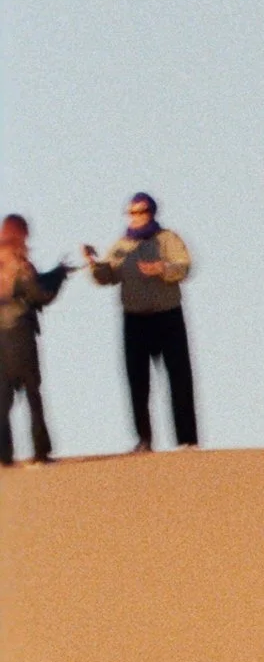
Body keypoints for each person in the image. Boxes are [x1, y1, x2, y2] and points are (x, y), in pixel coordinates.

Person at [82, 194, 198, 451]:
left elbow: (185, 267)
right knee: (137, 383)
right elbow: (107, 276)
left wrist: (163, 268)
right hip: (135, 319)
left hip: (168, 316)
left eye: (140, 211)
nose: (135, 216)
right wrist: (93, 263)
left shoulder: (167, 239)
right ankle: (144, 440)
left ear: (152, 212)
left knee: (179, 378)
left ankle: (187, 440)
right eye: (131, 212)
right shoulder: (122, 245)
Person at [0, 214, 71, 467]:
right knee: (32, 393)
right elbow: (38, 294)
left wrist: (56, 272)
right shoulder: (17, 260)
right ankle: (41, 452)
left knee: (4, 398)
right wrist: (60, 278)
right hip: (20, 332)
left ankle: (4, 456)